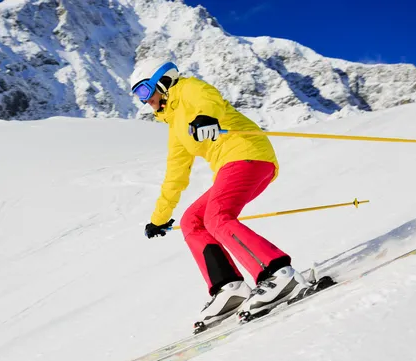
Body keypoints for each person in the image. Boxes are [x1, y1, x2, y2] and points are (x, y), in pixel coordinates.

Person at [130, 59, 310, 331]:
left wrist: (206, 117)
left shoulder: (188, 89)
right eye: (138, 97)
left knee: (216, 217)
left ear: (162, 82)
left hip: (248, 155)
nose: (146, 102)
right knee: (193, 221)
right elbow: (175, 173)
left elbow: (208, 99)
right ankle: (230, 288)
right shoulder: (175, 126)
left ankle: (278, 274)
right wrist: (159, 217)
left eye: (145, 92)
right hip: (231, 167)